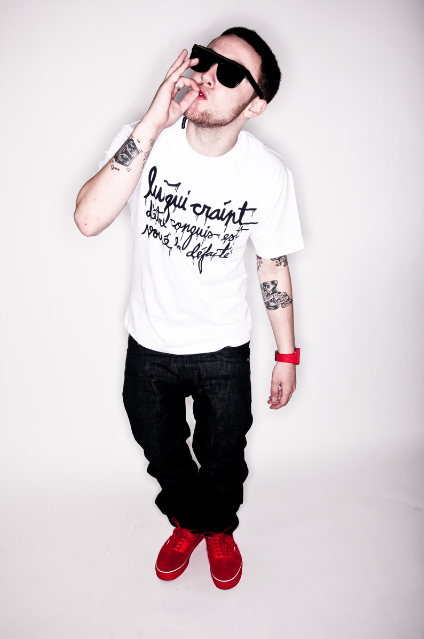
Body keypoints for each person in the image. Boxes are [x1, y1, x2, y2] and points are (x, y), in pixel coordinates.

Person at [74, 26, 303, 590]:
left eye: (232, 73)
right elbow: (88, 219)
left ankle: (218, 526)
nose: (209, 74)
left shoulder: (266, 173)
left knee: (224, 454)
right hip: (149, 344)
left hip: (221, 348)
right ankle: (189, 520)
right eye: (207, 58)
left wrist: (287, 355)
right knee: (160, 450)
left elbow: (272, 266)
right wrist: (152, 123)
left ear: (256, 104)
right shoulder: (146, 139)